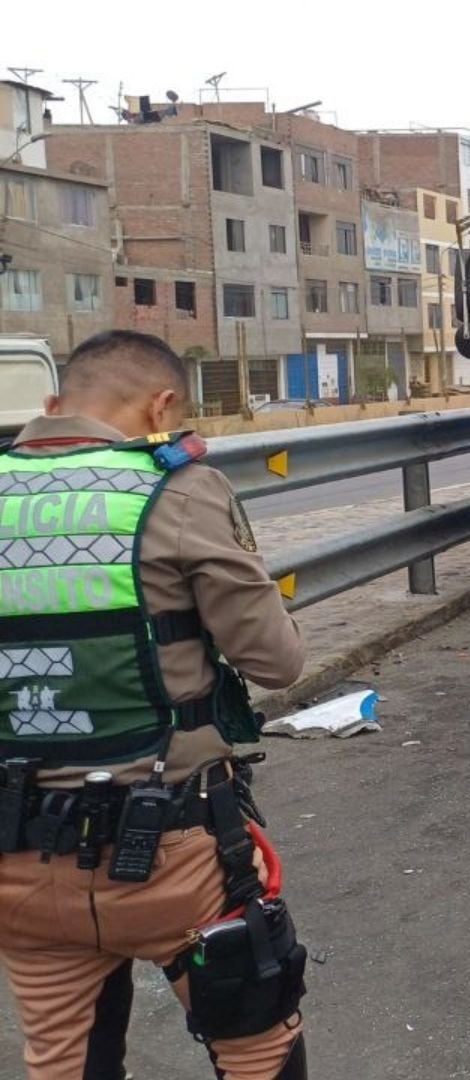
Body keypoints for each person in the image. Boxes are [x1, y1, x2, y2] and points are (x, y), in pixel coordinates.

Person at [0, 331, 310, 1078]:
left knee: (64, 1061)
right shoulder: (179, 488)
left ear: (52, 406)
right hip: (175, 855)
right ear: (162, 404)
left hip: (18, 858)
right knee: (258, 1051)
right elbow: (276, 661)